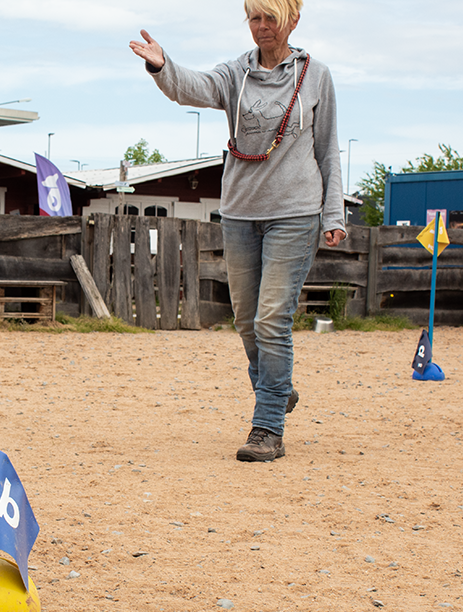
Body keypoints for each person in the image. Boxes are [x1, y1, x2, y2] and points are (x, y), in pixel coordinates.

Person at [130, 0, 346, 462]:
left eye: (271, 18)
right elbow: (194, 87)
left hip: (295, 213)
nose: (262, 27)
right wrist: (163, 66)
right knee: (246, 320)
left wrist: (334, 216)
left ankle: (267, 428)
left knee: (271, 318)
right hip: (240, 213)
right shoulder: (235, 74)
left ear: (292, 20)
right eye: (255, 18)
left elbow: (328, 150)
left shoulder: (316, 76)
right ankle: (277, 387)